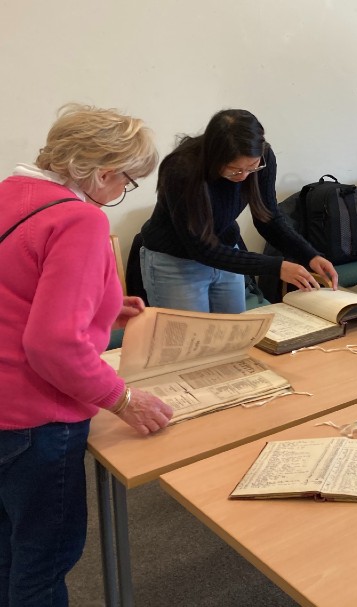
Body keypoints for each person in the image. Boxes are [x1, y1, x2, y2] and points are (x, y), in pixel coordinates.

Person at [0, 104, 174, 605]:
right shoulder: (79, 219)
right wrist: (121, 399)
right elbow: (51, 344)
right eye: (127, 182)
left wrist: (100, 306)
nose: (122, 193)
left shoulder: (13, 194)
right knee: (43, 563)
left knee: (7, 551)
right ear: (102, 173)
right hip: (34, 419)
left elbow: (18, 288)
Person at [140, 109, 339, 314]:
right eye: (234, 169)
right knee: (188, 342)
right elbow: (202, 248)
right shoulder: (182, 169)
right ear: (214, 158)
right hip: (176, 263)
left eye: (252, 167)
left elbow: (268, 218)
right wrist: (277, 267)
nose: (244, 176)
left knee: (233, 336)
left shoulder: (263, 158)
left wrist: (309, 255)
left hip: (226, 255)